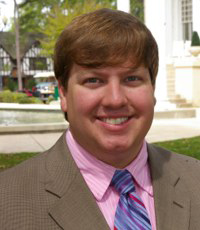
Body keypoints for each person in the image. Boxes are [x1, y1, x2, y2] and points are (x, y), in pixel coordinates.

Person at [0, 8, 200, 230]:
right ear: (64, 94)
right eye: (94, 80)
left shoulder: (196, 179)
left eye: (132, 78)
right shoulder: (6, 203)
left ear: (152, 88)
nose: (115, 100)